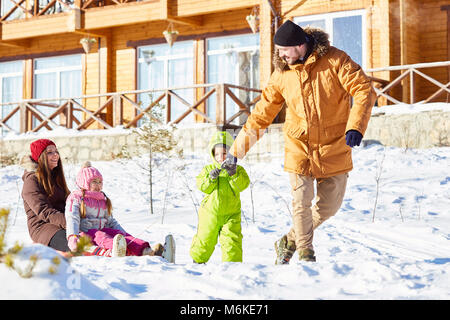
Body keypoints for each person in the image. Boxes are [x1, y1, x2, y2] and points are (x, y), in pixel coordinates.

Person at [226, 20, 377, 263]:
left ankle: (289, 240)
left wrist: (356, 126)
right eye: (278, 51)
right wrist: (236, 151)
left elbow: (363, 89)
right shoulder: (282, 75)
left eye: (284, 50)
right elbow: (261, 114)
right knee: (301, 203)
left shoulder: (336, 60)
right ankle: (306, 254)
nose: (280, 55)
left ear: (299, 45)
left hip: (334, 145)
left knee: (329, 207)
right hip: (299, 147)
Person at [65, 161, 175, 262]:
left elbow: (111, 222)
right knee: (100, 235)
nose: (98, 185)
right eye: (94, 182)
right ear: (84, 183)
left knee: (118, 235)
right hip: (86, 234)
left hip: (103, 231)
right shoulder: (76, 198)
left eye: (100, 182)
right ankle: (115, 249)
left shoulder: (103, 199)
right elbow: (72, 219)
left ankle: (151, 252)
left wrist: (125, 235)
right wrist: (72, 237)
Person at [190, 131, 250, 263]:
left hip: (231, 214)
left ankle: (232, 266)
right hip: (210, 213)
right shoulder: (208, 169)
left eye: (224, 153)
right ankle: (197, 261)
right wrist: (211, 178)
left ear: (230, 153)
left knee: (232, 241)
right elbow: (202, 186)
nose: (220, 157)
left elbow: (243, 185)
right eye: (216, 154)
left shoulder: (237, 170)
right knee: (205, 239)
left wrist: (233, 174)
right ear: (212, 154)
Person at [20, 139, 70, 252]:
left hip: (63, 223)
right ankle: (98, 251)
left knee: (91, 233)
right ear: (41, 157)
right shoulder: (31, 181)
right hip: (43, 227)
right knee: (75, 242)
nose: (55, 155)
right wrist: (70, 223)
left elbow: (70, 200)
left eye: (56, 151)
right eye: (50, 152)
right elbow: (44, 211)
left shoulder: (56, 177)